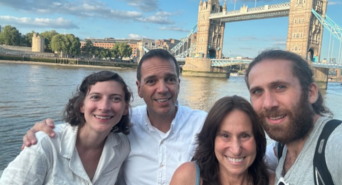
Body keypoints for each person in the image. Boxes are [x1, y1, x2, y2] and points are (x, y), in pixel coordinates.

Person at [20, 49, 208, 185]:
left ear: (179, 83)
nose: (163, 89)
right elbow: (89, 126)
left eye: (170, 79)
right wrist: (40, 131)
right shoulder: (120, 121)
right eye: (151, 81)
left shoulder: (205, 124)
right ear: (139, 88)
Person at [0, 71, 131, 184]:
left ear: (125, 108)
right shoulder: (46, 144)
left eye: (115, 99)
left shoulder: (122, 148)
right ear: (81, 105)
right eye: (95, 97)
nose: (104, 107)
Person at [244, 49, 342, 184]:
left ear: (311, 93)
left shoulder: (340, 148)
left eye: (280, 87)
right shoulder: (282, 149)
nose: (268, 103)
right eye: (257, 91)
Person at [170, 95, 272, 185]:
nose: (236, 150)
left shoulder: (274, 181)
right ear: (211, 139)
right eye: (225, 136)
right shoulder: (188, 178)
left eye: (244, 136)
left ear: (257, 141)